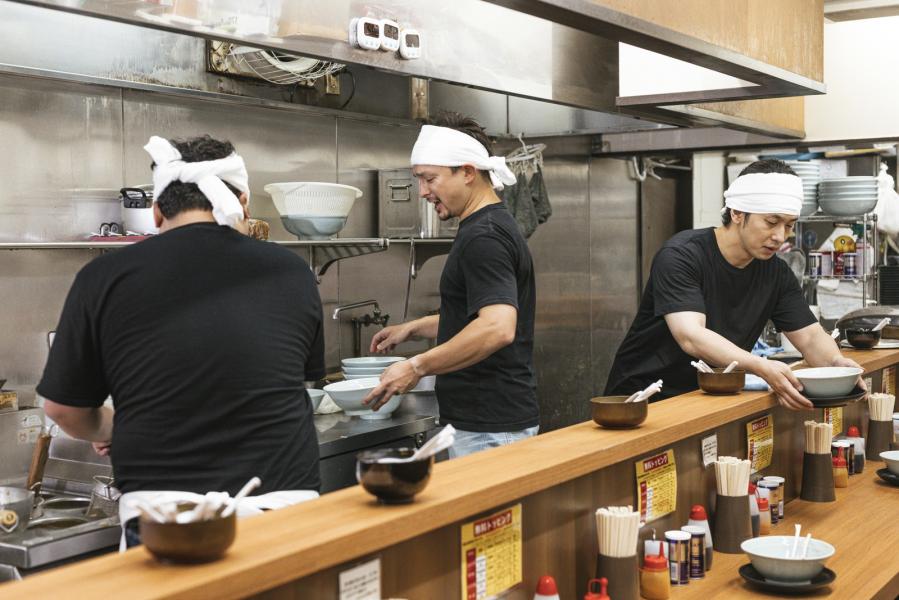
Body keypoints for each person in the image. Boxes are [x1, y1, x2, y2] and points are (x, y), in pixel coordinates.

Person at [37, 135, 325, 541]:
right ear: (243, 202)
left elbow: (63, 409)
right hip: (280, 511)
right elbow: (289, 377)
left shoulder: (102, 278)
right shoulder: (292, 272)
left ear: (156, 212)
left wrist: (111, 427)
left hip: (165, 520)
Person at [605, 159, 865, 409]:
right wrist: (760, 366)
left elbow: (809, 337)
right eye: (772, 222)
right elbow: (691, 337)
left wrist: (836, 363)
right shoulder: (681, 256)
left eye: (788, 225)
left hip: (706, 398)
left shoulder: (775, 273)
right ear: (738, 212)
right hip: (642, 402)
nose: (779, 236)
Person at [363, 111, 539, 457]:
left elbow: (498, 327)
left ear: (468, 172)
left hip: (490, 428)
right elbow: (476, 317)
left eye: (430, 179)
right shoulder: (488, 225)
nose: (422, 192)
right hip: (489, 421)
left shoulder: (483, 237)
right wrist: (413, 329)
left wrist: (416, 366)